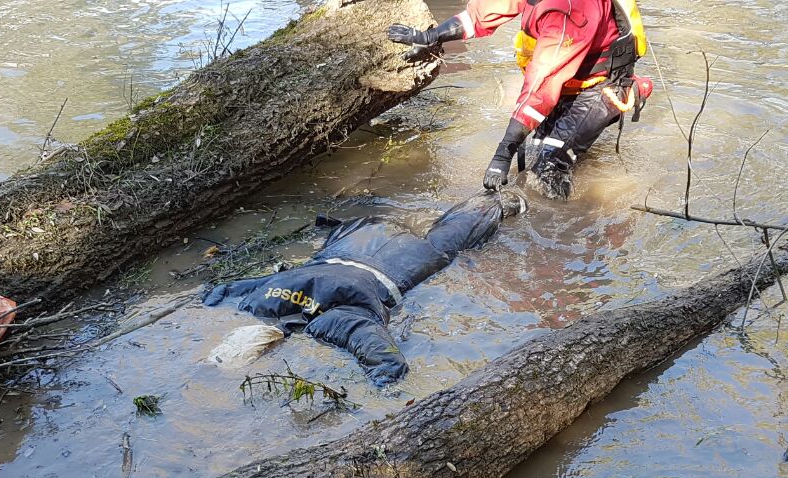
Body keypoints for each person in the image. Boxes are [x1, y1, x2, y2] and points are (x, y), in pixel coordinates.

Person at [204, 191, 526, 384]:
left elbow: (389, 363)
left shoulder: (332, 322)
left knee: (450, 242)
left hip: (400, 261)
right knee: (451, 233)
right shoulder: (262, 295)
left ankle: (500, 204)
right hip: (354, 236)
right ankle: (498, 199)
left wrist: (384, 390)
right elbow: (217, 293)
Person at [387, 0, 653, 199]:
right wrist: (432, 36)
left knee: (546, 168)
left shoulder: (570, 6)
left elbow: (542, 85)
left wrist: (503, 152)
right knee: (533, 151)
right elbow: (483, 13)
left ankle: (556, 240)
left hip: (599, 86)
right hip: (567, 83)